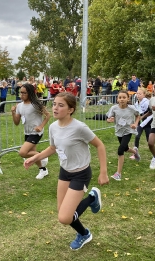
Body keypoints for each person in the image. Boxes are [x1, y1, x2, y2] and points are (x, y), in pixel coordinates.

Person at [24, 92, 109, 250]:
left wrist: (103, 172)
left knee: (64, 217)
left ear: (71, 110)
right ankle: (84, 234)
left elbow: (100, 145)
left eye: (60, 105)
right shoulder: (53, 127)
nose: (55, 108)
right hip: (65, 172)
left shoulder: (79, 128)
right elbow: (52, 148)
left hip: (81, 173)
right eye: (54, 104)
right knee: (62, 211)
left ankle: (92, 198)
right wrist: (35, 158)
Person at [11, 83, 51, 179]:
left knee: (23, 152)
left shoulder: (35, 104)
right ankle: (43, 170)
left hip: (36, 132)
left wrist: (41, 126)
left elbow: (48, 115)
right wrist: (13, 113)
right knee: (32, 153)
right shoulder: (19, 106)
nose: (21, 95)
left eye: (24, 93)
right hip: (27, 132)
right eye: (20, 93)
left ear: (29, 93)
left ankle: (42, 155)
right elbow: (16, 122)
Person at [106, 90, 140, 181]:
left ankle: (118, 174)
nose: (122, 99)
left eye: (124, 97)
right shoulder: (114, 108)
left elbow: (138, 116)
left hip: (128, 131)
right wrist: (109, 120)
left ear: (128, 98)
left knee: (120, 150)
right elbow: (108, 118)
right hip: (119, 131)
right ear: (117, 99)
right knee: (125, 148)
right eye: (120, 97)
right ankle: (135, 152)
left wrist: (135, 124)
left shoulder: (132, 108)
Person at [129, 88, 152, 160]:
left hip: (147, 122)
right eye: (137, 94)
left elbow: (150, 112)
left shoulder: (147, 102)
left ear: (144, 95)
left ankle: (154, 154)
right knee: (137, 136)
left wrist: (143, 117)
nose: (138, 95)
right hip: (140, 123)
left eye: (140, 94)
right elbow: (137, 114)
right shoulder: (136, 103)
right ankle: (135, 153)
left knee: (149, 140)